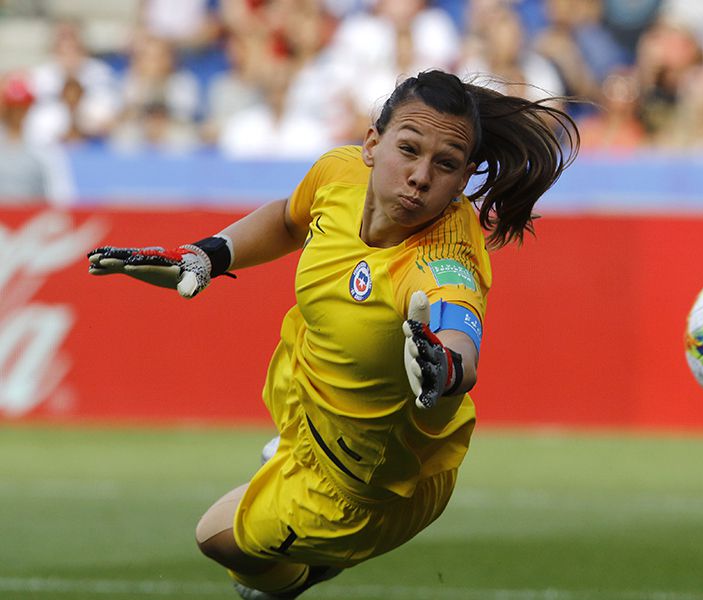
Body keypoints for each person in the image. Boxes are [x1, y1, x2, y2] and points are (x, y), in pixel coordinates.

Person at [86, 69, 579, 599]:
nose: (419, 176)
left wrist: (446, 365)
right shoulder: (339, 173)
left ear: (463, 181)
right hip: (309, 403)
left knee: (219, 540)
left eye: (445, 165)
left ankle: (299, 576)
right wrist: (208, 255)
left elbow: (459, 332)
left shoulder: (443, 258)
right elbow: (288, 219)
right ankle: (289, 482)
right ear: (371, 143)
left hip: (367, 486)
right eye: (408, 149)